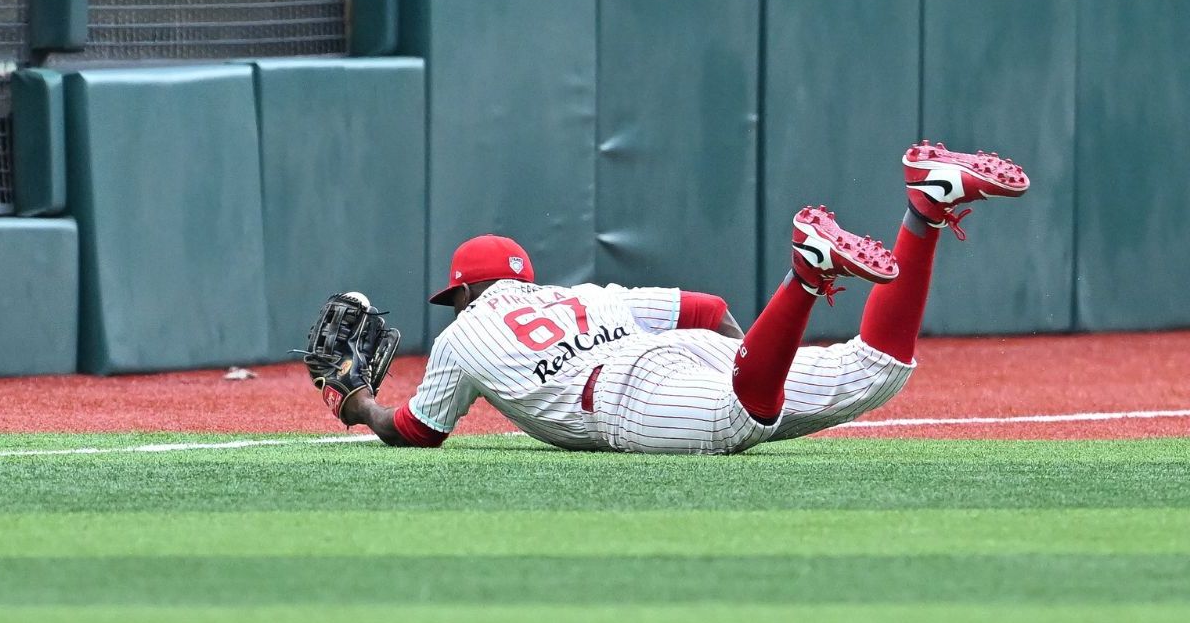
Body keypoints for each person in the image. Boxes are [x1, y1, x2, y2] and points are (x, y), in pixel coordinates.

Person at [314, 142, 1028, 454]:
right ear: (523, 280)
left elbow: (419, 432)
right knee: (876, 370)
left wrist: (360, 408)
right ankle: (925, 208)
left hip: (623, 393)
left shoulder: (464, 338)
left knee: (738, 422)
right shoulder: (584, 294)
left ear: (467, 290)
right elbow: (712, 310)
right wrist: (747, 359)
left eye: (456, 295)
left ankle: (808, 276)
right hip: (674, 349)